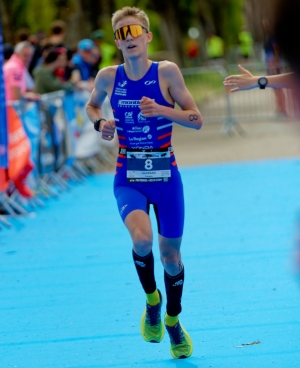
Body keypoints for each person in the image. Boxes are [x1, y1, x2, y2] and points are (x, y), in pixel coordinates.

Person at [85, 6, 202, 359]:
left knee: (170, 257)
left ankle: (172, 321)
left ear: (148, 36)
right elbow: (93, 107)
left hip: (166, 175)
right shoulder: (108, 77)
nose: (129, 38)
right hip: (129, 174)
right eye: (121, 34)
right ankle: (152, 300)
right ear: (117, 43)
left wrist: (162, 110)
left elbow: (196, 119)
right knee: (142, 239)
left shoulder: (167, 72)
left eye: (134, 31)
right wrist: (100, 123)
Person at [262, 18, 287, 117]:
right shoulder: (268, 36)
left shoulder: (272, 36)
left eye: (266, 24)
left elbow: (277, 49)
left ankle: (282, 108)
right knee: (274, 88)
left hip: (274, 65)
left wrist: (274, 64)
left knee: (278, 87)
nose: (264, 26)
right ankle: (279, 107)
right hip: (270, 64)